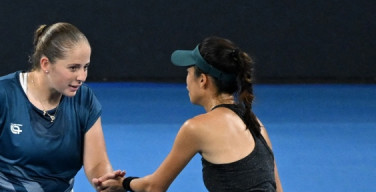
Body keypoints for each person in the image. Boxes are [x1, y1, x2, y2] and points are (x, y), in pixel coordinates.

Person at [0, 22, 116, 192]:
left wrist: (108, 181)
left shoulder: (84, 100)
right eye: (73, 68)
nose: (82, 76)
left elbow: (97, 164)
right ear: (45, 64)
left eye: (85, 67)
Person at [92, 37, 284, 192]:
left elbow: (154, 187)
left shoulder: (195, 128)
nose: (186, 80)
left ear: (202, 80)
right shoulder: (255, 123)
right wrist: (125, 183)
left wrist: (123, 184)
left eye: (188, 72)